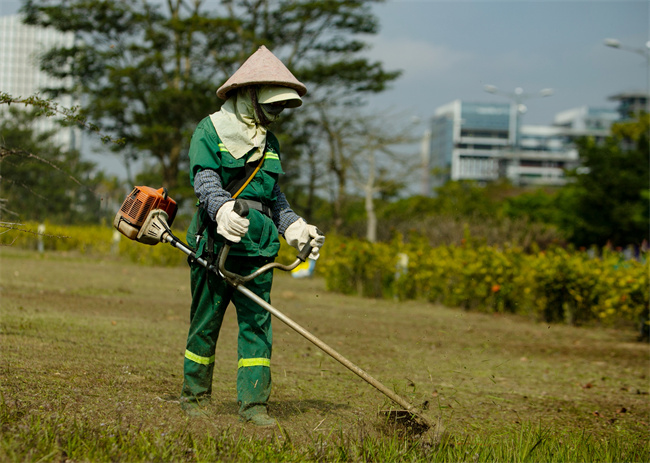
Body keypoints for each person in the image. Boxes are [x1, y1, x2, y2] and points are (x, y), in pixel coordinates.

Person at [180, 46, 325, 427]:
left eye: (280, 108)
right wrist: (221, 208)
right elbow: (205, 179)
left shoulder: (270, 144)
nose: (276, 115)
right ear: (248, 95)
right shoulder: (209, 130)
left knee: (258, 327)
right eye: (272, 106)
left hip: (259, 250)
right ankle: (194, 397)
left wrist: (295, 226)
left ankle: (254, 405)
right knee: (206, 321)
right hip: (216, 246)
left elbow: (274, 197)